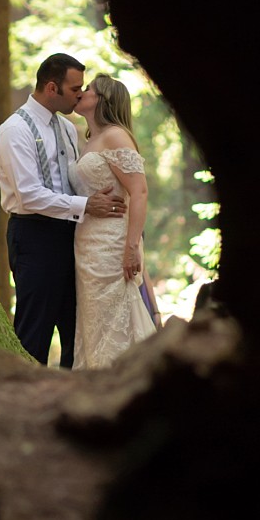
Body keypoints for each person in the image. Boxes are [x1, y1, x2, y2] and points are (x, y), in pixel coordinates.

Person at [0, 53, 126, 367]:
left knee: (76, 331)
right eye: (75, 88)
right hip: (34, 235)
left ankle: (69, 401)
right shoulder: (15, 131)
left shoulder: (67, 128)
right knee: (34, 331)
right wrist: (87, 205)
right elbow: (28, 195)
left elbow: (74, 179)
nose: (81, 94)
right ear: (52, 88)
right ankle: (25, 403)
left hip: (73, 235)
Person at [69, 73, 161, 369]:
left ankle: (126, 379)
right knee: (94, 321)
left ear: (103, 99)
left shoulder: (115, 135)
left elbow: (139, 190)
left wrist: (131, 247)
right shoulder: (89, 138)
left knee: (116, 318)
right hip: (87, 244)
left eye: (89, 89)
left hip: (112, 244)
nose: (81, 92)